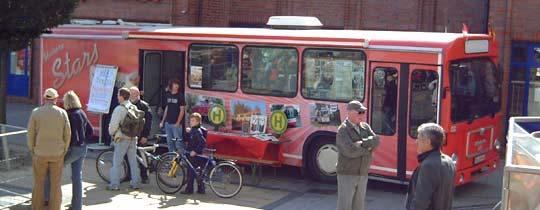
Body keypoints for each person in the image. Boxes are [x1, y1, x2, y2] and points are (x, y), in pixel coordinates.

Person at [27, 88, 71, 210]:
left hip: (40, 153)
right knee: (56, 185)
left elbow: (30, 133)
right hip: (57, 153)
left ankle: (36, 207)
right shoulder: (62, 113)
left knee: (38, 184)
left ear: (44, 98)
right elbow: (67, 134)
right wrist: (64, 149)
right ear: (55, 99)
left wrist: (32, 150)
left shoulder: (36, 112)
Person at [336, 100, 379, 210]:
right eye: (359, 112)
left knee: (359, 207)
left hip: (363, 173)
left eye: (363, 112)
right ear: (349, 112)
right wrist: (367, 149)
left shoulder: (365, 126)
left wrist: (360, 144)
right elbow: (349, 151)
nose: (362, 115)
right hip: (347, 174)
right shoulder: (343, 130)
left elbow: (376, 141)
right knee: (345, 206)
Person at [406, 123, 456, 210]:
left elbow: (420, 202)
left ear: (428, 142)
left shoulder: (428, 166)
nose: (416, 141)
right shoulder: (449, 161)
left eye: (419, 139)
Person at [108, 88, 141, 190]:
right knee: (133, 161)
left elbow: (113, 125)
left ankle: (114, 184)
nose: (117, 97)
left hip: (122, 138)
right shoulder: (133, 107)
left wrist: (111, 133)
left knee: (117, 162)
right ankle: (135, 183)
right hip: (133, 137)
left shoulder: (119, 109)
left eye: (118, 95)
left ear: (122, 96)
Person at [127, 86, 153, 184]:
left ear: (138, 94)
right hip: (129, 135)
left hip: (140, 135)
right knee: (128, 156)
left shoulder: (144, 106)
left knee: (142, 157)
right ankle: (128, 175)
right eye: (130, 94)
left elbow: (148, 122)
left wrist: (145, 136)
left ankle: (144, 176)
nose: (131, 96)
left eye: (133, 94)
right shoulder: (127, 105)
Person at [181, 113, 207, 194]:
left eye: (193, 121)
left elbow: (202, 142)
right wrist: (188, 132)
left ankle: (189, 190)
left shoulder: (197, 131)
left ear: (198, 122)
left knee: (190, 172)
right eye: (190, 120)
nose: (191, 122)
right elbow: (187, 139)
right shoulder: (195, 129)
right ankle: (201, 189)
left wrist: (195, 151)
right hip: (197, 154)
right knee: (197, 172)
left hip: (194, 154)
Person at [160, 79, 186, 153]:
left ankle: (182, 161)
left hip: (176, 124)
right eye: (174, 84)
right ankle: (172, 160)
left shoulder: (180, 96)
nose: (176, 86)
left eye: (177, 84)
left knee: (178, 143)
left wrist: (178, 122)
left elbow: (182, 110)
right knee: (169, 143)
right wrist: (162, 121)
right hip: (168, 123)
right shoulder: (168, 95)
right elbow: (167, 108)